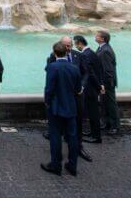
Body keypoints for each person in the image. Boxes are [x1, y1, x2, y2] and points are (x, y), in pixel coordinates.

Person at [46, 36, 93, 161]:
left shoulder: (79, 55)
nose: (68, 48)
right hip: (61, 96)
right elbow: (49, 73)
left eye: (69, 45)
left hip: (76, 96)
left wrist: (82, 86)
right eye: (65, 46)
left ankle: (78, 147)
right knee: (60, 127)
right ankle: (65, 153)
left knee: (77, 124)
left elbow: (86, 72)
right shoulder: (52, 56)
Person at [41, 41, 80, 177]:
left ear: (54, 52)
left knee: (55, 136)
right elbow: (78, 89)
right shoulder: (74, 68)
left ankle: (56, 165)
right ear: (67, 52)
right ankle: (72, 165)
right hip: (71, 107)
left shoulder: (52, 67)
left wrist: (47, 102)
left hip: (56, 108)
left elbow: (49, 88)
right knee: (73, 137)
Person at [71, 36, 103, 149]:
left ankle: (97, 137)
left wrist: (99, 87)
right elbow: (98, 70)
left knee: (93, 113)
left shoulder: (85, 55)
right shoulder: (92, 52)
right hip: (93, 88)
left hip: (90, 89)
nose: (75, 47)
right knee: (92, 112)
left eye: (76, 44)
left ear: (80, 43)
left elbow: (90, 73)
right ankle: (92, 133)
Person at [96, 29, 120, 135]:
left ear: (102, 38)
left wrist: (105, 84)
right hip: (105, 82)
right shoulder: (102, 48)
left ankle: (115, 126)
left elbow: (108, 69)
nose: (95, 37)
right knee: (104, 103)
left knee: (111, 104)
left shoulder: (105, 50)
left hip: (107, 83)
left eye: (97, 36)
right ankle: (106, 123)